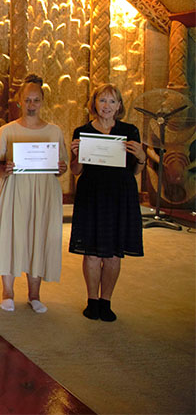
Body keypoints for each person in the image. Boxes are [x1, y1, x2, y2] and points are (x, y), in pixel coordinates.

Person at [69, 83, 145, 322]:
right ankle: (92, 300)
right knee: (91, 252)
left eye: (112, 102)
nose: (107, 106)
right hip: (91, 193)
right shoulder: (81, 132)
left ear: (119, 106)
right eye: (103, 100)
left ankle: (106, 301)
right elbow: (76, 170)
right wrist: (76, 155)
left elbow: (134, 171)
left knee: (113, 253)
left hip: (120, 194)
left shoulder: (130, 131)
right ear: (95, 104)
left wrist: (142, 157)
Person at [0, 74, 68, 313]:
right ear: (19, 101)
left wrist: (61, 168)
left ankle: (34, 294)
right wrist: (4, 168)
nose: (32, 104)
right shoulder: (6, 130)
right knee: (11, 236)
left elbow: (61, 167)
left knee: (38, 236)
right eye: (27, 100)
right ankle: (7, 292)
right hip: (14, 190)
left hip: (44, 193)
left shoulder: (54, 132)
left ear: (42, 101)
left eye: (36, 100)